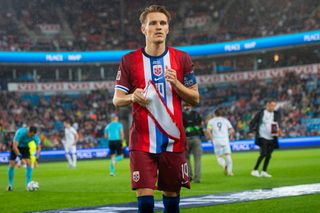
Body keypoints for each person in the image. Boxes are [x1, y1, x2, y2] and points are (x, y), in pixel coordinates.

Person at [113, 5, 200, 213]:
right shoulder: (129, 60)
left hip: (174, 141)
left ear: (168, 28)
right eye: (153, 23)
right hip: (142, 141)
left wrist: (177, 85)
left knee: (172, 198)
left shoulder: (182, 59)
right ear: (143, 29)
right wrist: (132, 96)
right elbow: (117, 99)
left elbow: (195, 98)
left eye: (163, 23)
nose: (158, 27)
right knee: (144, 199)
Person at [249, 99, 281, 178]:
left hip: (272, 137)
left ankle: (264, 171)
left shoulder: (276, 114)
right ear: (268, 105)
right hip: (262, 136)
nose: (273, 107)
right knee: (263, 153)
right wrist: (251, 131)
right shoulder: (260, 113)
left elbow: (276, 124)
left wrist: (279, 130)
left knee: (269, 155)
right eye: (272, 105)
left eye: (274, 105)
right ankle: (254, 170)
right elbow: (252, 122)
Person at [7, 126, 41, 191]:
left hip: (25, 147)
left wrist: (36, 159)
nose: (32, 136)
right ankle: (10, 185)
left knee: (29, 163)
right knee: (12, 164)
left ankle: (28, 185)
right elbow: (14, 147)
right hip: (16, 147)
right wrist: (21, 158)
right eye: (31, 135)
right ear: (29, 132)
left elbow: (39, 147)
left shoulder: (35, 136)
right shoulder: (20, 133)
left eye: (34, 135)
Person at [207, 108, 235, 176]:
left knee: (219, 157)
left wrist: (211, 139)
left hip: (216, 140)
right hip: (225, 140)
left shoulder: (211, 121)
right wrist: (230, 136)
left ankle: (224, 165)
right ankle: (230, 172)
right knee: (228, 155)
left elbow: (208, 130)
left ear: (214, 114)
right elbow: (232, 130)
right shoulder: (225, 120)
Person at [182, 103, 203, 183]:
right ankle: (197, 178)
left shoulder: (181, 114)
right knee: (197, 159)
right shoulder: (196, 114)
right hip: (196, 138)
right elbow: (201, 125)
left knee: (186, 159)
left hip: (186, 139)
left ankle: (189, 177)